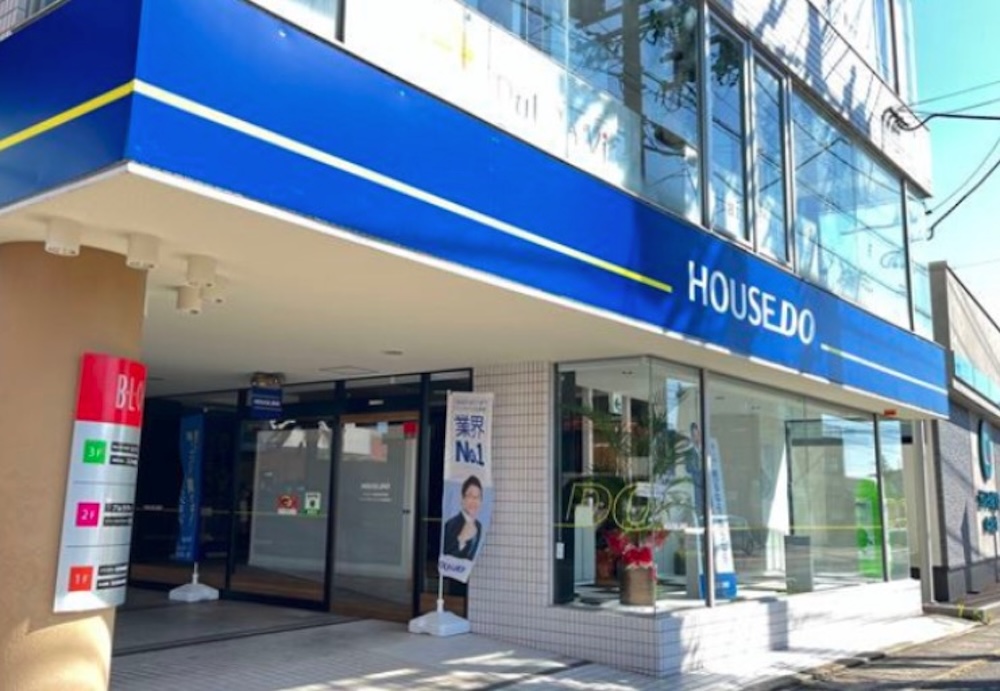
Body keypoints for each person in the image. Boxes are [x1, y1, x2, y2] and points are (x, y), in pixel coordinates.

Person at [442, 475, 483, 560]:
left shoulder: (478, 526)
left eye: (477, 497)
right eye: (470, 496)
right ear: (462, 499)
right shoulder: (450, 524)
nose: (474, 501)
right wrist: (461, 540)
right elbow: (445, 556)